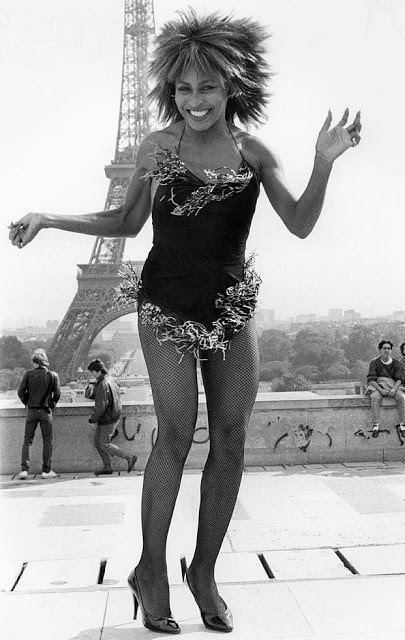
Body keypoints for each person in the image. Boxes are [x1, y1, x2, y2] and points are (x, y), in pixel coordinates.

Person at [9, 9, 361, 634]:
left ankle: (203, 571)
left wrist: (325, 162)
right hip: (166, 308)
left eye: (208, 87)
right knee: (174, 435)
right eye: (183, 88)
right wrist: (49, 217)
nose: (195, 100)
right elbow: (124, 224)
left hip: (231, 311)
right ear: (169, 89)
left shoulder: (254, 152)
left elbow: (301, 223)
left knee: (229, 443)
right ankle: (151, 570)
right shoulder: (156, 147)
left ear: (233, 86)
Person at [87, 359, 137, 476]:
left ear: (99, 372)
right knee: (98, 442)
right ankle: (107, 466)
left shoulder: (102, 384)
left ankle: (129, 457)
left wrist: (92, 419)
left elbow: (101, 405)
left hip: (107, 418)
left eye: (93, 372)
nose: (92, 375)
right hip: (112, 415)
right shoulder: (110, 380)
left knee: (104, 444)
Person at [17, 348, 61, 479]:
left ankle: (24, 470)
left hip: (31, 411)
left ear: (34, 362)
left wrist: (28, 403)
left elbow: (20, 392)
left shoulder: (28, 375)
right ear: (45, 361)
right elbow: (57, 394)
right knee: (47, 441)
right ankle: (46, 471)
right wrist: (51, 404)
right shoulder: (53, 375)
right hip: (45, 411)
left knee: (28, 441)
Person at [365, 340, 405, 438]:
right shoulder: (374, 362)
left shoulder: (397, 363)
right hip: (378, 386)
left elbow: (399, 379)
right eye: (384, 348)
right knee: (375, 398)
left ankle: (402, 425)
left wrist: (393, 390)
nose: (386, 350)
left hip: (393, 386)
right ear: (380, 350)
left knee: (402, 397)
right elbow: (371, 380)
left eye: (389, 348)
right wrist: (381, 390)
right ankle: (376, 425)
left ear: (391, 351)